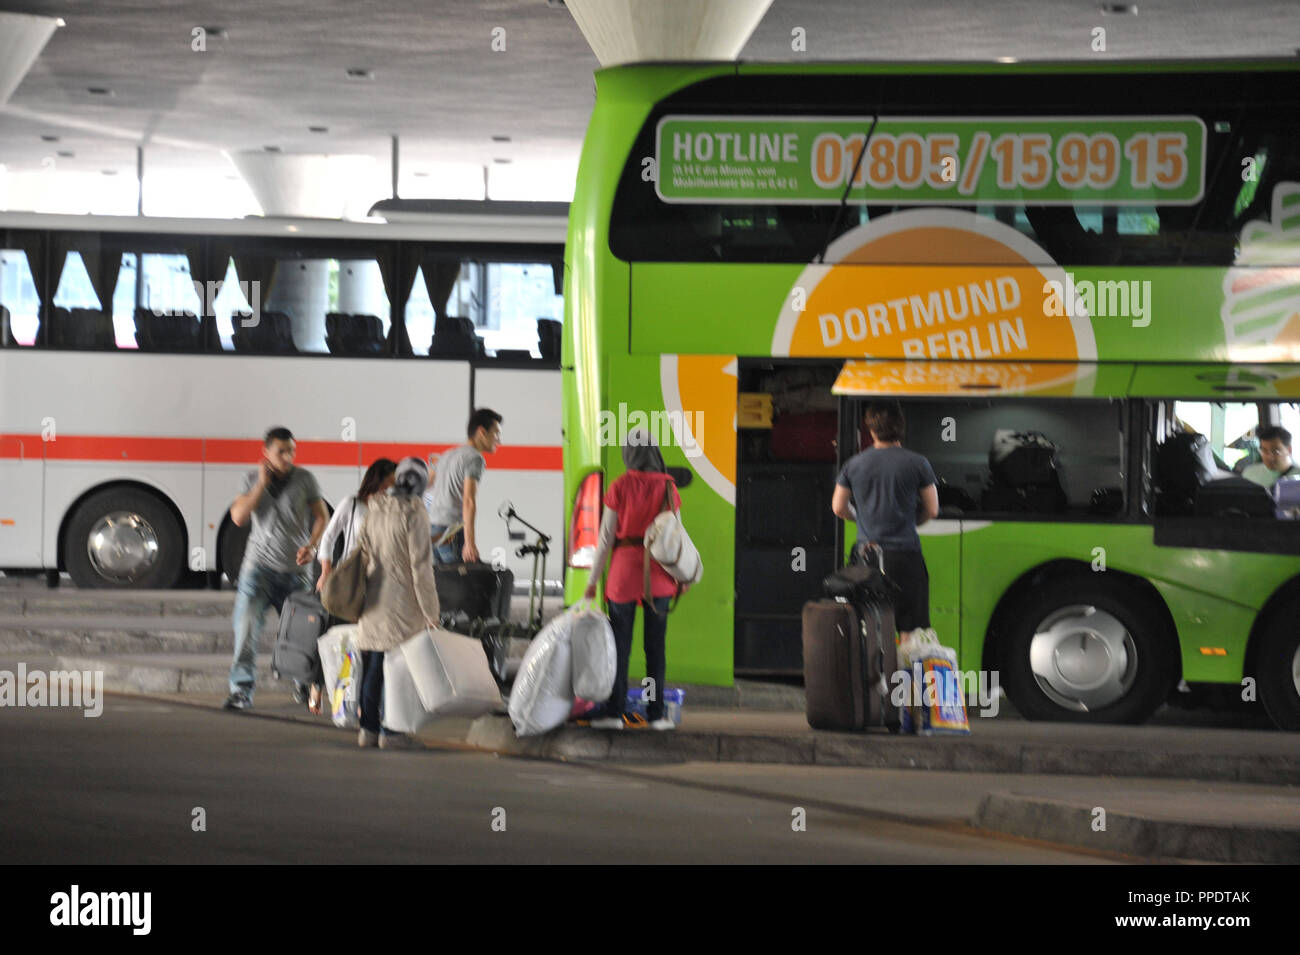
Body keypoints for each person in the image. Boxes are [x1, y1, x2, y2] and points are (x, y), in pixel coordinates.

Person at [583, 428, 683, 731]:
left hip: (623, 576)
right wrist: (681, 576)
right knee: (655, 649)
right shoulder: (668, 487)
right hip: (660, 576)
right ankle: (655, 715)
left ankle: (614, 713)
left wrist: (592, 581)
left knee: (620, 648)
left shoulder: (620, 486)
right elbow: (676, 537)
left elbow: (604, 539)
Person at [223, 426, 329, 711]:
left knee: (304, 634)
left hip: (296, 572)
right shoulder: (249, 479)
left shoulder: (305, 478)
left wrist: (313, 545)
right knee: (246, 628)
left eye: (291, 450)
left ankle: (303, 684)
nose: (287, 456)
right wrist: (260, 484)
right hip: (258, 570)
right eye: (281, 451)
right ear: (266, 453)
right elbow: (238, 517)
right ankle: (241, 691)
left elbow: (322, 516)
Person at [353, 456, 442, 749]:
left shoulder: (374, 508)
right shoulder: (414, 512)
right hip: (402, 603)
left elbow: (362, 551)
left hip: (373, 598)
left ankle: (367, 730)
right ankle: (390, 732)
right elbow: (421, 568)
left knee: (374, 664)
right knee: (397, 669)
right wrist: (431, 611)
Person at [831, 403, 939, 634]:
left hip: (866, 558)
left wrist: (859, 518)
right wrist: (913, 522)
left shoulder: (853, 464)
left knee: (868, 624)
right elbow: (932, 509)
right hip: (905, 556)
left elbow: (838, 507)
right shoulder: (918, 463)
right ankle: (903, 670)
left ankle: (873, 669)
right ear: (901, 427)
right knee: (910, 628)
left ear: (871, 430)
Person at [305, 457, 398, 713]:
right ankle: (317, 684)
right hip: (349, 583)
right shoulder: (353, 504)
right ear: (376, 480)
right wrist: (326, 572)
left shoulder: (392, 509)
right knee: (334, 636)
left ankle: (358, 700)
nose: (389, 489)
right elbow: (329, 537)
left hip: (377, 585)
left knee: (367, 642)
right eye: (388, 483)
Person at [426, 408, 503, 564]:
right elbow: (469, 501)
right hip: (451, 531)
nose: (499, 440)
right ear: (482, 432)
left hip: (432, 529)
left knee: (441, 585)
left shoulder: (448, 454)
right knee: (460, 584)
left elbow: (427, 484)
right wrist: (469, 543)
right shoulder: (475, 458)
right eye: (496, 433)